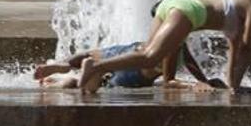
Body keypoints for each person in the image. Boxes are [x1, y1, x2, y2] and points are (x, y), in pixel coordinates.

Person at [77, 0, 251, 95]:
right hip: (189, 11)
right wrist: (237, 87)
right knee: (151, 57)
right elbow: (246, 48)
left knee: (148, 57)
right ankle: (96, 66)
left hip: (173, 3)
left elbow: (235, 51)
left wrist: (232, 86)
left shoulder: (237, 2)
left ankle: (97, 67)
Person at [32, 41, 224, 91]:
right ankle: (67, 81)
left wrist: (203, 80)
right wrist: (197, 84)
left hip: (132, 50)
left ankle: (62, 66)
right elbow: (169, 82)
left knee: (91, 54)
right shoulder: (178, 43)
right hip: (137, 74)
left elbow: (189, 62)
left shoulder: (168, 32)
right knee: (95, 85)